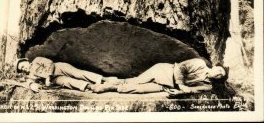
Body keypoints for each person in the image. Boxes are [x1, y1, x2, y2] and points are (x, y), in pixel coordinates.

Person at [92, 58, 229, 95]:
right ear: (215, 67)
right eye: (219, 70)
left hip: (165, 86)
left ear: (219, 79)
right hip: (163, 71)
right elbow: (181, 68)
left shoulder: (207, 86)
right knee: (135, 81)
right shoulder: (200, 64)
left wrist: (179, 92)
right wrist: (181, 85)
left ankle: (111, 87)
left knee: (138, 90)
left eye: (220, 75)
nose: (217, 74)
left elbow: (191, 91)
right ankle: (103, 81)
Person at [16, 57, 118, 92]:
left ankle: (104, 79)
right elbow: (28, 82)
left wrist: (47, 76)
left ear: (26, 61)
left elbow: (49, 63)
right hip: (55, 79)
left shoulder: (36, 60)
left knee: (78, 73)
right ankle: (91, 87)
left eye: (23, 65)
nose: (24, 68)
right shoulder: (29, 75)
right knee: (67, 82)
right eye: (22, 69)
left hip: (59, 68)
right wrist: (31, 85)